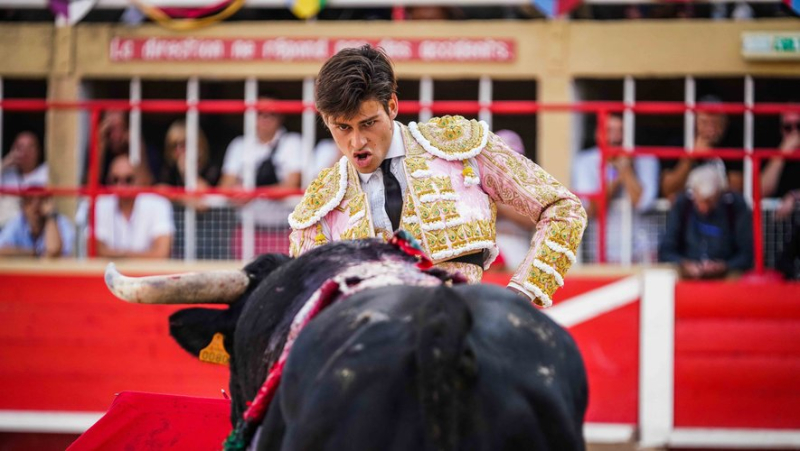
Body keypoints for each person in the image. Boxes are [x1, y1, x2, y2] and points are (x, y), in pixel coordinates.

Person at [288, 44, 587, 307]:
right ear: (327, 122)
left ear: (391, 106)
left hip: (463, 330)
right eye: (343, 128)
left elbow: (563, 208)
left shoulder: (458, 145)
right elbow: (303, 298)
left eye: (368, 124)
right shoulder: (323, 200)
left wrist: (522, 293)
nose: (356, 142)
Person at [572, 113, 660, 263]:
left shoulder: (647, 158)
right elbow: (590, 210)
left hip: (643, 251)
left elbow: (642, 203)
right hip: (603, 252)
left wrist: (626, 170)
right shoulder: (584, 161)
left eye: (621, 131)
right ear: (598, 134)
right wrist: (617, 175)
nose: (616, 138)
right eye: (610, 131)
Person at [658, 165, 753, 279]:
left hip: (726, 275)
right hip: (687, 273)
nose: (705, 208)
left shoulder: (735, 206)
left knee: (737, 276)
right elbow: (666, 250)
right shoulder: (682, 205)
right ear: (693, 193)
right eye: (701, 201)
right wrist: (684, 264)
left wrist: (724, 266)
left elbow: (747, 254)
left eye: (710, 202)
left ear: (720, 193)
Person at [660, 95, 743, 200]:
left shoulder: (731, 143)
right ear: (693, 122)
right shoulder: (678, 143)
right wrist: (690, 158)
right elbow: (668, 190)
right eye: (704, 122)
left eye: (717, 123)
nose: (711, 129)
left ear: (726, 123)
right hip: (687, 211)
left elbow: (736, 190)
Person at [93, 154, 174, 259]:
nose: (121, 186)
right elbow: (95, 251)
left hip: (148, 274)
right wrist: (136, 256)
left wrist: (120, 256)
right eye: (115, 180)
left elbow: (162, 253)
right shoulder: (100, 205)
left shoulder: (158, 204)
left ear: (140, 180)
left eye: (128, 180)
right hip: (108, 273)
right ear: (108, 182)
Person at [218, 96, 302, 190]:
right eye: (260, 113)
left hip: (283, 205)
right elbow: (226, 186)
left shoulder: (293, 142)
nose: (265, 118)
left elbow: (292, 185)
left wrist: (253, 194)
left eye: (272, 113)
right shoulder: (239, 144)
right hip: (243, 204)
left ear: (281, 116)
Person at [0, 188, 74, 258]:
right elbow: (2, 250)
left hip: (52, 271)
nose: (35, 205)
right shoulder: (18, 222)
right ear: (23, 206)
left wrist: (50, 216)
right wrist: (34, 253)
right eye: (29, 200)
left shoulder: (61, 222)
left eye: (41, 200)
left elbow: (53, 251)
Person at [95, 110, 156, 186]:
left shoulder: (147, 151)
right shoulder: (101, 151)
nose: (115, 136)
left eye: (120, 128)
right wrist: (100, 145)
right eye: (110, 130)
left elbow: (147, 183)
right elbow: (90, 184)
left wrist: (137, 145)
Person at [0, 131, 49, 227]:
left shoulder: (46, 172)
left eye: (30, 147)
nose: (25, 152)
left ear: (39, 150)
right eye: (20, 147)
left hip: (33, 227)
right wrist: (5, 162)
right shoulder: (6, 173)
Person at [761, 111, 800, 210]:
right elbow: (761, 191)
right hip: (779, 220)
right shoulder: (772, 150)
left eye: (799, 126)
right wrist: (781, 153)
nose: (794, 133)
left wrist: (795, 196)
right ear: (781, 130)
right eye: (788, 128)